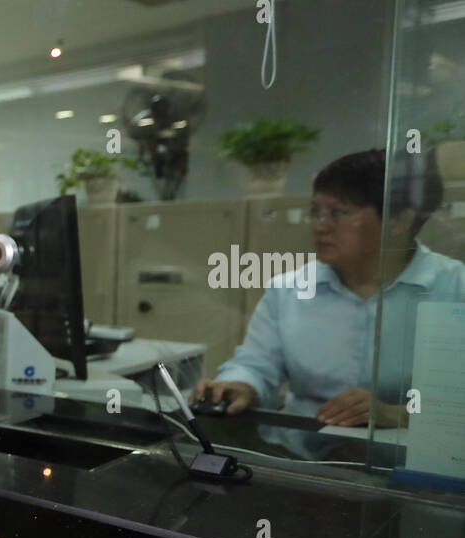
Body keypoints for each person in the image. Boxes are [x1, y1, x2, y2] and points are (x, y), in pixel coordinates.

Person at [192, 149, 465, 427]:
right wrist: (240, 386)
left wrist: (399, 414)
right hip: (297, 458)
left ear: (400, 221)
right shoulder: (289, 289)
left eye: (338, 213)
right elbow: (256, 364)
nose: (319, 227)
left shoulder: (455, 289)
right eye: (315, 212)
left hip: (403, 464)